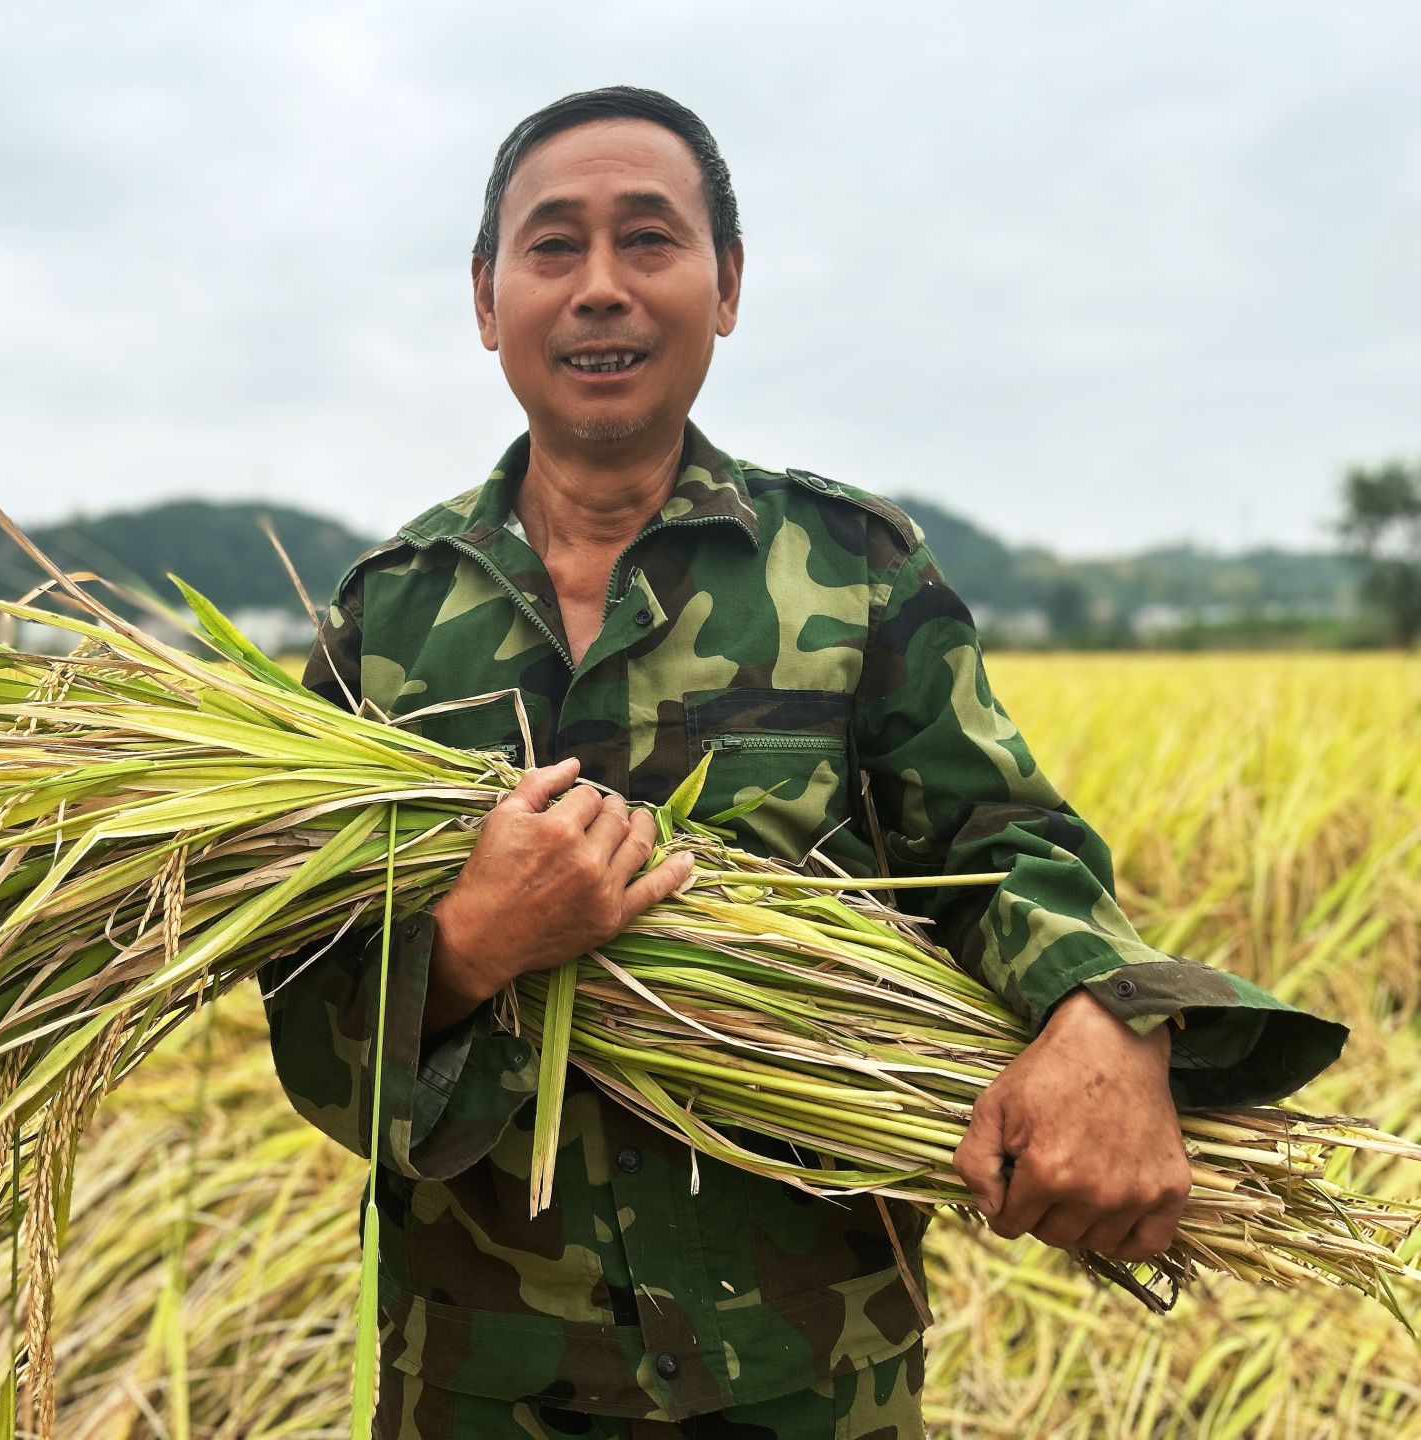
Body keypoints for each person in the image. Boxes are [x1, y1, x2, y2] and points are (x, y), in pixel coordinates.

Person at [258, 86, 1344, 1439]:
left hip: (805, 1377)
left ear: (725, 289)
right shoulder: (389, 622)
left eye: (650, 240)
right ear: (486, 300)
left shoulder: (855, 573)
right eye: (553, 247)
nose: (601, 287)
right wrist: (473, 947)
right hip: (477, 1381)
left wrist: (1109, 1015)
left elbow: (1006, 856)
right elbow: (308, 1025)